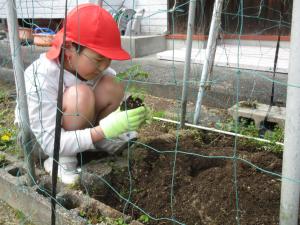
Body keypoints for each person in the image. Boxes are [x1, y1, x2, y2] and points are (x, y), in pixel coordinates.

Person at [15, 3, 147, 184]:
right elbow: (48, 141)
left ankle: (98, 142)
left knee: (112, 83)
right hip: (40, 143)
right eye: (98, 59)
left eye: (108, 59)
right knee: (80, 95)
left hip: (73, 132)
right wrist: (103, 129)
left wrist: (127, 116)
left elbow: (109, 90)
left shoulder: (97, 71)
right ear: (69, 48)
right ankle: (61, 161)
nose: (104, 66)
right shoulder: (41, 75)